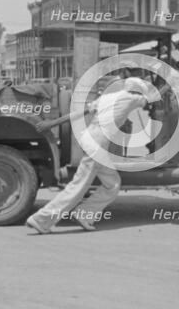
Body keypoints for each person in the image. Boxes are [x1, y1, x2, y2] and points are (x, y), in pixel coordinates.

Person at [26, 77, 159, 234]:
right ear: (136, 91)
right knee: (78, 187)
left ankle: (84, 215)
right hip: (97, 148)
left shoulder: (106, 98)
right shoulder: (131, 98)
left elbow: (79, 113)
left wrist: (52, 123)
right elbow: (154, 97)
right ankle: (41, 219)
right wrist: (171, 83)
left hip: (91, 143)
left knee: (113, 184)